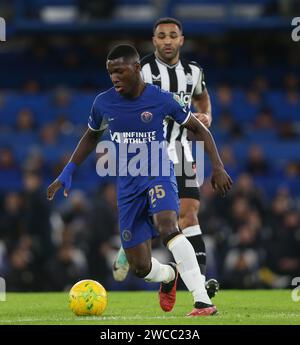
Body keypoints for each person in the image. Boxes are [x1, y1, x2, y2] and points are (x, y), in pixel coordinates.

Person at [47, 44, 232, 316]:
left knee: (169, 226)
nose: (114, 78)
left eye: (119, 71)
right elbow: (91, 135)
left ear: (136, 68)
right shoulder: (103, 102)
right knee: (140, 267)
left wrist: (217, 165)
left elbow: (198, 128)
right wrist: (68, 170)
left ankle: (202, 300)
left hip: (158, 171)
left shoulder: (160, 98)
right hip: (128, 186)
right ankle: (169, 276)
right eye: (110, 73)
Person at [113, 17, 219, 298]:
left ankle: (201, 283)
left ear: (181, 40)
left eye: (173, 35)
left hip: (182, 149)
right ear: (154, 40)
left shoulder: (193, 72)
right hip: (147, 154)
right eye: (162, 36)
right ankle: (133, 244)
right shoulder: (142, 70)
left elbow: (202, 97)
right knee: (161, 221)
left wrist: (206, 114)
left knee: (188, 213)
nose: (168, 41)